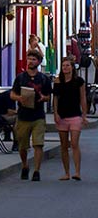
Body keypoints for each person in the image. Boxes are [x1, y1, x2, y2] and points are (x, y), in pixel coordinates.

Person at [12, 48, 53, 181]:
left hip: (38, 115)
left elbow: (48, 96)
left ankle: (37, 171)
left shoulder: (44, 79)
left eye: (34, 59)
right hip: (23, 115)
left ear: (39, 62)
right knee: (22, 146)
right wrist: (19, 98)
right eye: (29, 58)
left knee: (38, 144)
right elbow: (12, 94)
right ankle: (25, 165)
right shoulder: (20, 78)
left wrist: (43, 98)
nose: (31, 61)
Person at [54, 55, 86, 181]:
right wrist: (55, 113)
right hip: (62, 116)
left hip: (75, 115)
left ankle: (77, 172)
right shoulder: (57, 81)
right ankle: (67, 172)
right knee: (63, 145)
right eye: (63, 66)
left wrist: (84, 114)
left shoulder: (79, 81)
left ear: (72, 67)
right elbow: (55, 98)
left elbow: (82, 97)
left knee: (74, 143)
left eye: (68, 65)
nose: (65, 68)